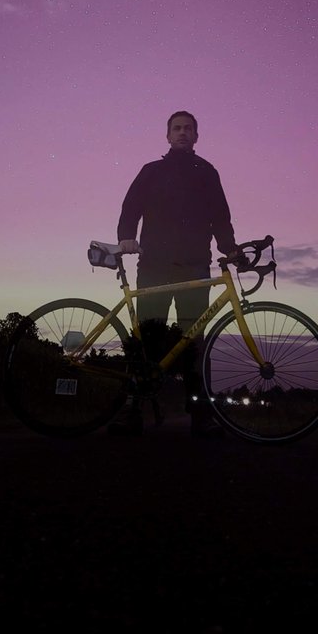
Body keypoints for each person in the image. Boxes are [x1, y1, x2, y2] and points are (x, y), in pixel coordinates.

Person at [113, 110, 239, 437]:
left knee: (195, 343)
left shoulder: (207, 172)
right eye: (176, 128)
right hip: (154, 265)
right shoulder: (151, 171)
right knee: (147, 341)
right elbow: (130, 207)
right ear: (167, 135)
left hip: (195, 266)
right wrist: (126, 235)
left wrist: (231, 249)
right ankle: (133, 409)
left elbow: (220, 217)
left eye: (189, 129)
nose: (182, 133)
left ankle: (200, 414)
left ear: (196, 136)